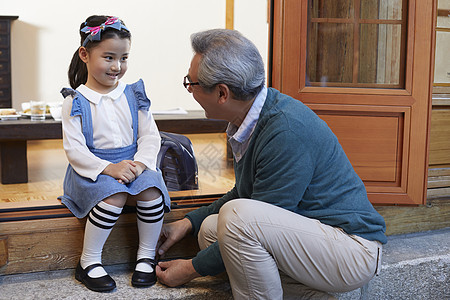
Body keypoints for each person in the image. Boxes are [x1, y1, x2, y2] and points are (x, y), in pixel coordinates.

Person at [156, 29, 386, 299]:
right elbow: (245, 196)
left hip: (350, 249)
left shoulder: (285, 130)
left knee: (237, 221)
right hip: (316, 240)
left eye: (191, 83)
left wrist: (189, 269)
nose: (190, 90)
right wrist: (187, 222)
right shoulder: (249, 120)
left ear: (222, 93)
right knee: (210, 229)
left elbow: (252, 215)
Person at [59, 15, 170, 292]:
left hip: (135, 164)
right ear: (85, 54)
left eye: (123, 58)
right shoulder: (75, 101)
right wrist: (109, 169)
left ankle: (146, 256)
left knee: (151, 191)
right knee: (115, 194)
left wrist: (141, 165)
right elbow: (74, 150)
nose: (117, 66)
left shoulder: (134, 94)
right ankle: (89, 262)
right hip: (93, 169)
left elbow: (149, 135)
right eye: (109, 57)